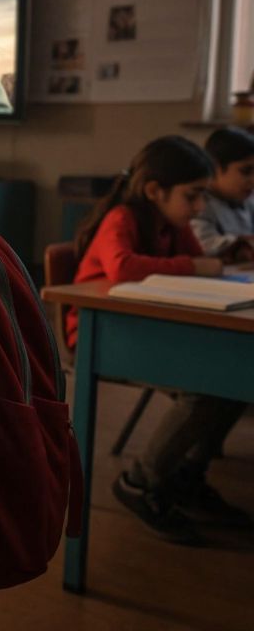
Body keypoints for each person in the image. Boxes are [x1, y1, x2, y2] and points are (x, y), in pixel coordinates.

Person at [69, 135, 250, 544]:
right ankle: (140, 481)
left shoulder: (175, 223)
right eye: (193, 196)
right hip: (102, 335)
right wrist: (196, 266)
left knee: (235, 377)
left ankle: (187, 475)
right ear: (155, 190)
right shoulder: (123, 218)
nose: (201, 206)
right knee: (203, 391)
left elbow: (196, 265)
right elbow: (123, 266)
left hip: (149, 331)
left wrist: (200, 265)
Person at [192, 127, 254, 263]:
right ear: (214, 168)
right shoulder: (198, 204)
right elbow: (204, 244)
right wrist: (243, 245)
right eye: (246, 171)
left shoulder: (249, 201)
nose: (253, 180)